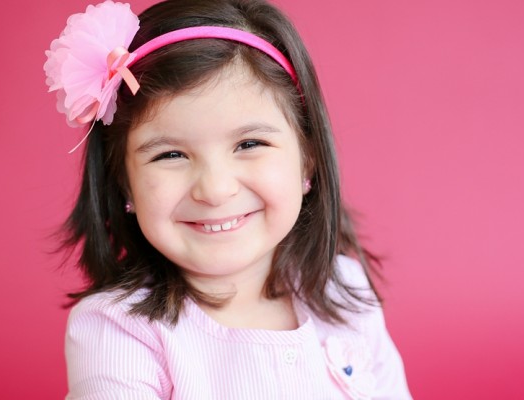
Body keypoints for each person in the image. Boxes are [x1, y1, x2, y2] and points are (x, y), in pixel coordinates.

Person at [44, 0, 412, 398]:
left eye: (249, 144)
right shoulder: (118, 331)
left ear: (307, 158)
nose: (215, 190)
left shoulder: (343, 289)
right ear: (124, 184)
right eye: (171, 154)